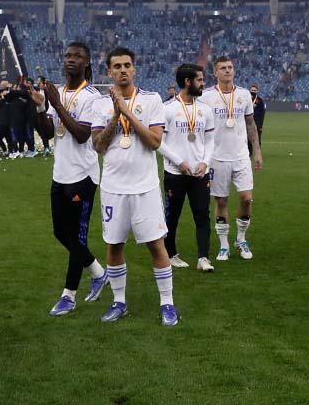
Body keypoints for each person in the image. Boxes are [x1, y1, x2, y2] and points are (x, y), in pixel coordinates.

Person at [88, 47, 178, 326]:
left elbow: (154, 142)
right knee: (114, 245)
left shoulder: (152, 100)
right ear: (109, 72)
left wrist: (127, 111)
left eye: (127, 65)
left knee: (156, 244)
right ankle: (119, 302)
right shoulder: (99, 105)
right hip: (113, 187)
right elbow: (99, 146)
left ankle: (167, 304)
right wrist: (116, 115)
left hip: (146, 187)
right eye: (117, 66)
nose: (123, 70)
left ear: (135, 69)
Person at [30, 41, 109, 317]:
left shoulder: (94, 97)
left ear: (87, 63)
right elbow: (49, 134)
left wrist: (56, 104)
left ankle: (69, 295)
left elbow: (82, 134)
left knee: (76, 235)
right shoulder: (59, 92)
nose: (70, 60)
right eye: (67, 56)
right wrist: (41, 108)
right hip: (60, 173)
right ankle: (98, 272)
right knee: (60, 233)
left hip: (83, 176)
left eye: (77, 56)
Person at [202, 55, 263, 261]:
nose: (227, 70)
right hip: (217, 158)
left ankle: (241, 238)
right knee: (221, 201)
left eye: (230, 67)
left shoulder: (244, 94)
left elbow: (250, 124)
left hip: (240, 156)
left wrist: (257, 151)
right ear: (215, 72)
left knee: (246, 198)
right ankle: (224, 244)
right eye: (223, 68)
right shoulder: (206, 96)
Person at [159, 64, 216, 273]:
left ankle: (203, 258)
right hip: (175, 173)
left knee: (202, 215)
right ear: (187, 82)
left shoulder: (205, 110)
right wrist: (179, 162)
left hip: (199, 174)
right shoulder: (167, 109)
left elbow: (210, 141)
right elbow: (159, 142)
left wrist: (205, 163)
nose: (203, 83)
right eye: (199, 80)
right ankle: (171, 254)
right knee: (172, 215)